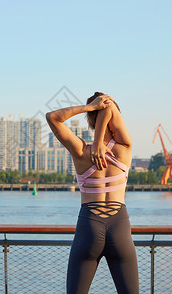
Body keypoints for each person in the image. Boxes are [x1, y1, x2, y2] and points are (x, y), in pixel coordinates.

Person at [46, 93, 139, 294]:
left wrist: (90, 110)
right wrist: (100, 140)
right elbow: (110, 106)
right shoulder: (124, 147)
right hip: (119, 225)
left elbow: (52, 117)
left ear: (90, 119)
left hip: (89, 224)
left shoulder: (80, 150)